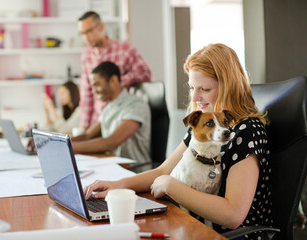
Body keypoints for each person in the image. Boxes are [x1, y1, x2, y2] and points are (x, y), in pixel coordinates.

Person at [84, 44, 272, 240]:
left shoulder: (247, 131)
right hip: (199, 225)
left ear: (228, 87)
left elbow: (233, 215)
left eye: (204, 89)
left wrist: (171, 186)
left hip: (234, 235)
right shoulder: (202, 126)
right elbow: (163, 171)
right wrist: (119, 185)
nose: (194, 96)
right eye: (192, 87)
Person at [78, 11, 151, 129]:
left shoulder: (125, 49)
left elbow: (145, 73)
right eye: (82, 33)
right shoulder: (86, 55)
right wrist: (84, 126)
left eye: (89, 31)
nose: (86, 37)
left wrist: (116, 82)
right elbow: (86, 93)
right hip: (97, 120)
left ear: (101, 27)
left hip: (120, 118)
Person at [71, 61, 151, 164]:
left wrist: (70, 148)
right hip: (113, 165)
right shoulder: (109, 107)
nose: (94, 91)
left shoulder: (136, 105)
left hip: (134, 170)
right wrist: (63, 143)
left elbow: (111, 143)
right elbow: (88, 135)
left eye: (97, 84)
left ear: (113, 80)